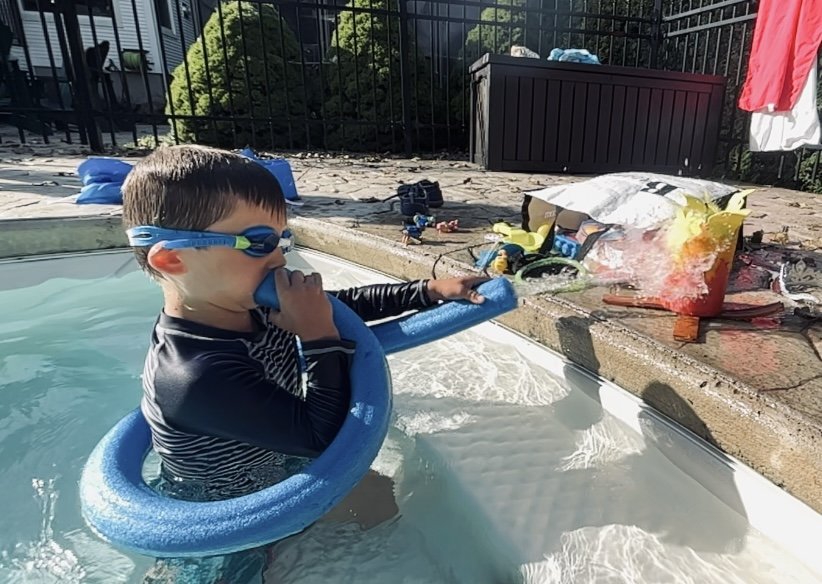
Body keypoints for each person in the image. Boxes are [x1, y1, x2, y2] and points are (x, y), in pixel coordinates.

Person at [122, 145, 486, 581]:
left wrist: (426, 291)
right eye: (258, 243)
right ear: (173, 259)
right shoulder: (192, 376)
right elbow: (326, 438)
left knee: (383, 499)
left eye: (281, 239)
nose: (279, 257)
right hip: (226, 517)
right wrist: (316, 337)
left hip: (281, 464)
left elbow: (338, 309)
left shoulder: (243, 302)